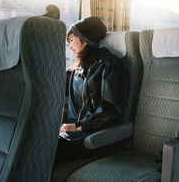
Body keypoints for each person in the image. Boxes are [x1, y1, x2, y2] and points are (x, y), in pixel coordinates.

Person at [55, 16, 129, 163]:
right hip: (72, 132)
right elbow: (53, 87)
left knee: (43, 150)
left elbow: (109, 111)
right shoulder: (77, 70)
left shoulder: (109, 66)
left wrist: (77, 127)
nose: (70, 46)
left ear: (85, 40)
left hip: (92, 135)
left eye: (71, 40)